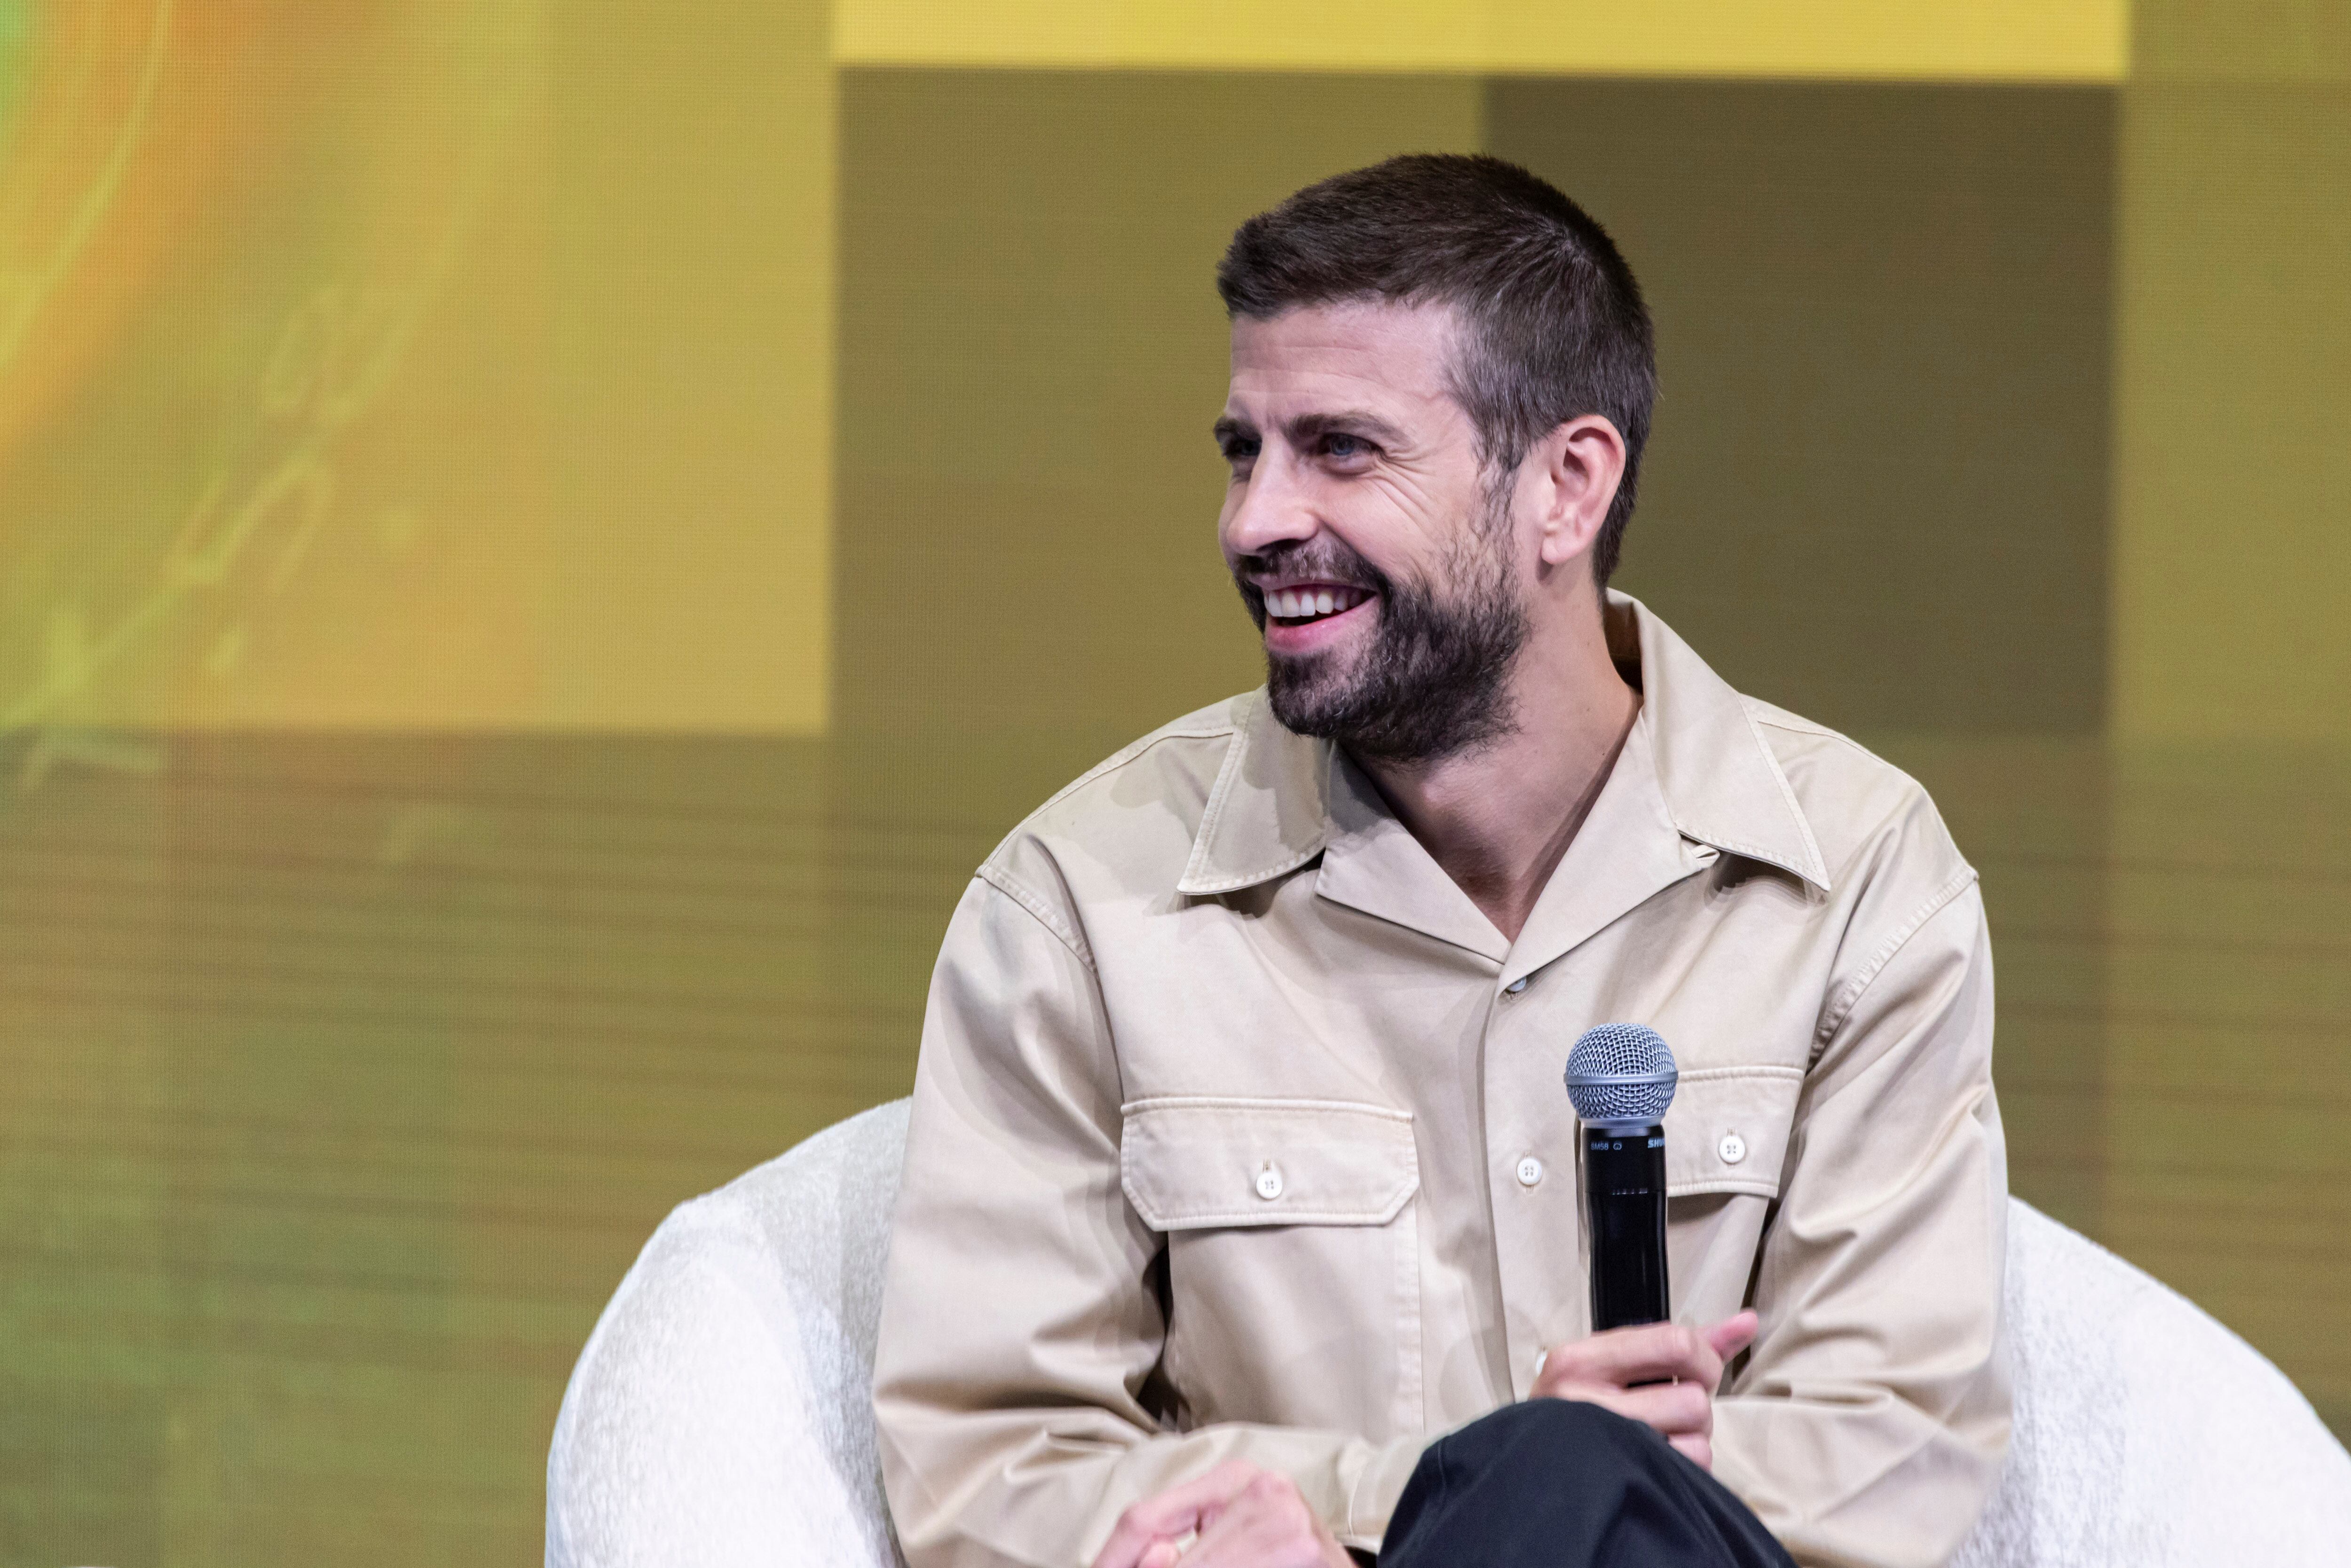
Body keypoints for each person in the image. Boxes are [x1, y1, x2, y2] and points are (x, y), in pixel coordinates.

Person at [873, 154, 2009, 1568]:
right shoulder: (1077, 909)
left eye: (1340, 449)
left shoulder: (1859, 887)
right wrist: (1461, 1492)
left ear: (1566, 487)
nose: (1255, 521)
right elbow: (989, 1466)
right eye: (1245, 450)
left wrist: (1513, 1495)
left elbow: (1887, 1446)